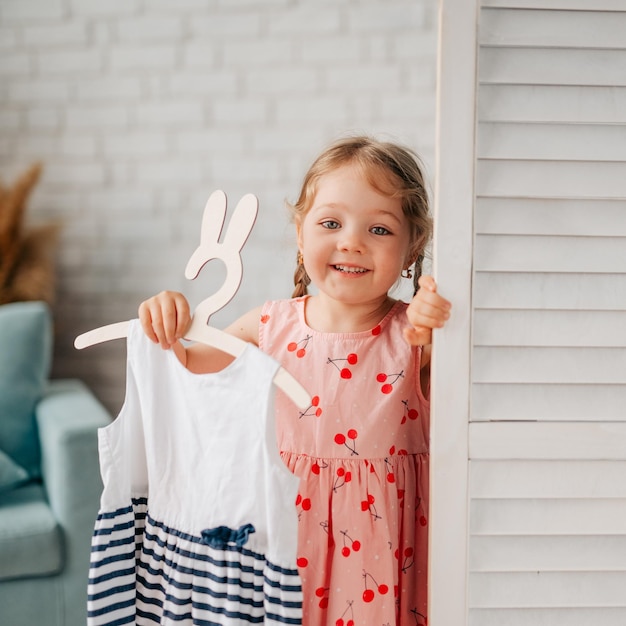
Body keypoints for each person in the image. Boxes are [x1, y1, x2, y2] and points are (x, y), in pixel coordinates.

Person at [138, 135, 451, 625]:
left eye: (380, 229)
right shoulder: (270, 325)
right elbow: (186, 367)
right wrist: (168, 321)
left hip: (382, 550)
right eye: (331, 222)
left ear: (413, 248)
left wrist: (440, 318)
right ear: (301, 235)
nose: (351, 240)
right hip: (286, 536)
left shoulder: (414, 336)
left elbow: (453, 351)